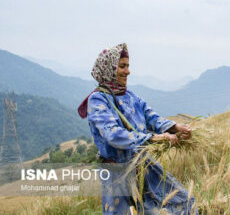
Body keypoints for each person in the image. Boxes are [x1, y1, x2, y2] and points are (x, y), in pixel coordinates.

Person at [78, 43, 198, 215]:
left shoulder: (131, 96)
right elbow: (113, 135)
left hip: (141, 164)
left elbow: (151, 117)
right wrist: (153, 138)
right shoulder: (98, 100)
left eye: (128, 66)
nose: (128, 71)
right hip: (115, 173)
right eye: (122, 66)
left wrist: (173, 127)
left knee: (181, 200)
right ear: (108, 69)